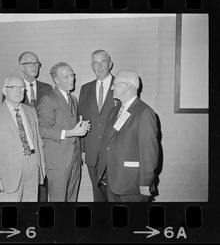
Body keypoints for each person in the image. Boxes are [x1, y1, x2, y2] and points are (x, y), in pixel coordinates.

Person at [97, 69, 159, 202]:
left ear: (128, 87)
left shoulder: (144, 112)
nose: (112, 87)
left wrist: (145, 181)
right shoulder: (114, 111)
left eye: (116, 84)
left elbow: (149, 151)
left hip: (132, 183)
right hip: (112, 181)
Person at [0, 76, 46, 202]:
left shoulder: (31, 111)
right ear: (4, 91)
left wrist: (41, 166)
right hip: (7, 173)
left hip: (32, 167)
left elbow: (38, 141)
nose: (19, 91)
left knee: (29, 213)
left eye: (22, 88)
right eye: (13, 88)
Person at [37, 62, 91, 202]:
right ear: (56, 80)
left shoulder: (73, 99)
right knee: (59, 204)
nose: (71, 79)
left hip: (74, 161)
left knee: (71, 202)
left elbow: (72, 126)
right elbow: (43, 130)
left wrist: (81, 126)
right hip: (58, 163)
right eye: (66, 76)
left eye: (72, 75)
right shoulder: (48, 99)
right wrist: (70, 132)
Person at [2, 51, 52, 202]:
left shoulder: (47, 88)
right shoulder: (12, 89)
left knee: (42, 188)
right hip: (22, 151)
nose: (34, 66)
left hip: (44, 144)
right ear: (21, 67)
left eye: (36, 63)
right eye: (30, 63)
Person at [78, 49, 119, 202]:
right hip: (92, 152)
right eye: (95, 63)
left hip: (113, 152)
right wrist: (82, 150)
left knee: (114, 196)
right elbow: (81, 119)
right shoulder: (85, 89)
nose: (99, 66)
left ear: (110, 64)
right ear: (91, 66)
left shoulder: (121, 85)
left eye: (103, 62)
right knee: (98, 197)